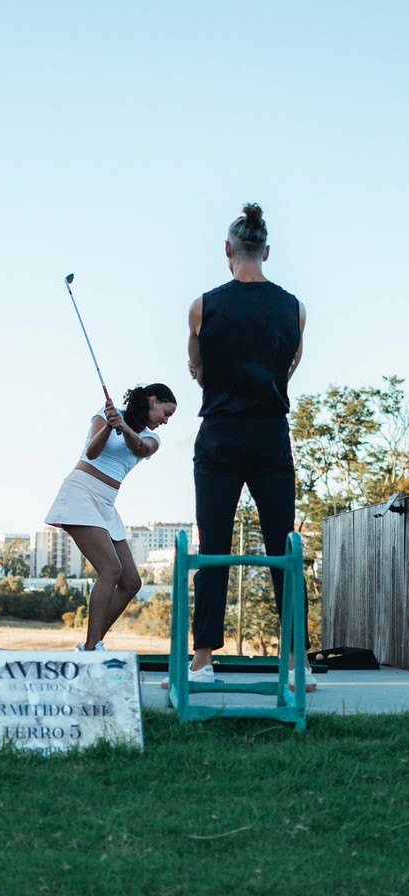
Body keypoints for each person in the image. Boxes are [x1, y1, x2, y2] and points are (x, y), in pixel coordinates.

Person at [185, 202, 315, 692]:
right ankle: (297, 663)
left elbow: (195, 366)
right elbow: (289, 369)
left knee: (213, 546)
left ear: (228, 250)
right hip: (269, 434)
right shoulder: (294, 307)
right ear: (267, 251)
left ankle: (202, 662)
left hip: (219, 432)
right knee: (284, 545)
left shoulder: (203, 305)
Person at [45, 385, 177, 652]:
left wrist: (123, 428)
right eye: (166, 412)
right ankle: (92, 647)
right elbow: (91, 453)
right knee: (111, 570)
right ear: (153, 401)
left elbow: (139, 446)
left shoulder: (153, 439)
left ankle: (91, 644)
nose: (166, 420)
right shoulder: (106, 414)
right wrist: (109, 425)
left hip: (106, 503)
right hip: (81, 491)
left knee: (131, 582)